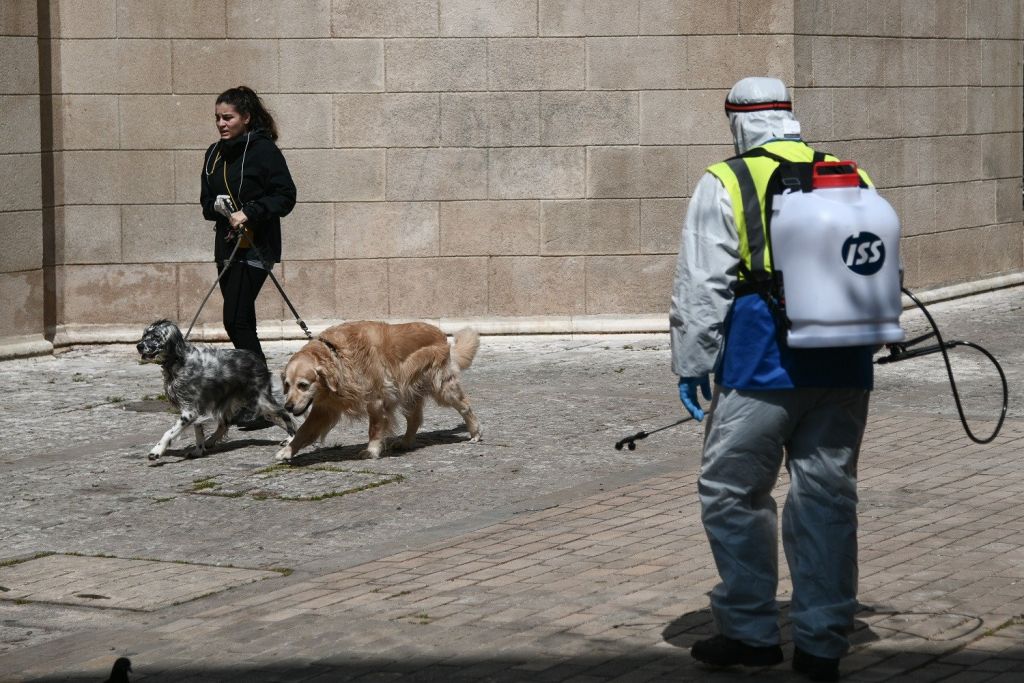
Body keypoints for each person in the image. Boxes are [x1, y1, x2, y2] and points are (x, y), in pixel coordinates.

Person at [670, 77, 878, 682]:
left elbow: (701, 284)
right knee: (827, 498)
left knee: (732, 493)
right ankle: (822, 644)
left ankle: (750, 630)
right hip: (843, 364)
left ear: (738, 121)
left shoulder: (727, 180)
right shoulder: (848, 172)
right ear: (788, 115)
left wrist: (692, 360)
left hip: (762, 364)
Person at [200, 86, 296, 428]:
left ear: (246, 118)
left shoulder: (264, 151)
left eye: (228, 118)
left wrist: (251, 211)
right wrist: (219, 209)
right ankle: (255, 397)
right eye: (218, 118)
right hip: (227, 248)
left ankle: (260, 400)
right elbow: (205, 203)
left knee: (237, 319)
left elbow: (285, 196)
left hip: (256, 247)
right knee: (238, 321)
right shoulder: (213, 154)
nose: (221, 124)